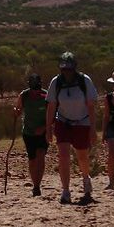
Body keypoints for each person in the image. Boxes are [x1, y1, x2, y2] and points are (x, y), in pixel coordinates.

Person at [45, 51, 99, 204]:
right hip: (63, 122)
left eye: (69, 69)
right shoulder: (56, 82)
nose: (66, 72)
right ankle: (66, 190)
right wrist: (48, 128)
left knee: (82, 156)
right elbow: (51, 106)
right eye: (64, 69)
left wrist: (93, 129)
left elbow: (91, 106)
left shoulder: (84, 81)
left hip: (82, 122)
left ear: (74, 68)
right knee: (63, 156)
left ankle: (86, 177)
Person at [13, 74, 48, 196]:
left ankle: (38, 184)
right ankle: (35, 184)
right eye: (33, 90)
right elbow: (18, 109)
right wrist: (16, 112)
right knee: (32, 159)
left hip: (43, 132)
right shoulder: (24, 95)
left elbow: (53, 115)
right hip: (28, 132)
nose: (35, 93)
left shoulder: (46, 96)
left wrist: (44, 128)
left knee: (41, 156)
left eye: (37, 90)